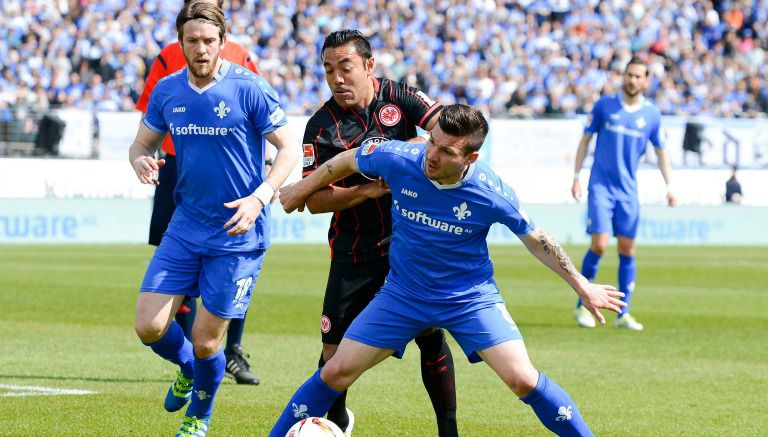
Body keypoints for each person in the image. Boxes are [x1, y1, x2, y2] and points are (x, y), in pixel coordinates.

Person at [271, 104, 625, 436]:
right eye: (431, 142)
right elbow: (347, 160)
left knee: (522, 378)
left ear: (470, 157)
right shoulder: (400, 158)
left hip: (469, 298)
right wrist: (305, 186)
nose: (432, 155)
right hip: (403, 294)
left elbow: (537, 240)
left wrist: (581, 284)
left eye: (446, 152)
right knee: (335, 372)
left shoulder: (491, 193)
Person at [128, 3, 299, 436]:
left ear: (223, 43)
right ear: (180, 43)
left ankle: (198, 415)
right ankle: (187, 368)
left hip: (237, 231)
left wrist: (259, 199)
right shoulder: (168, 91)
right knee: (148, 326)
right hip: (185, 226)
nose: (201, 49)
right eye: (192, 41)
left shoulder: (250, 88)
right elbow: (140, 143)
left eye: (209, 41)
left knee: (207, 340)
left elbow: (289, 150)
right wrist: (141, 161)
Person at [299, 29, 457, 436]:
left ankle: (448, 430)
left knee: (429, 334)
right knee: (333, 353)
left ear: (369, 65)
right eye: (329, 69)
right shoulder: (321, 127)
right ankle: (335, 423)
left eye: (345, 67)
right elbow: (313, 200)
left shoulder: (400, 97)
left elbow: (446, 129)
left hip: (409, 244)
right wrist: (367, 190)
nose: (336, 78)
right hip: (353, 250)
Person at [135, 0, 264, 385]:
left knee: (228, 277)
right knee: (178, 266)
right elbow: (147, 117)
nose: (201, 47)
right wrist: (143, 155)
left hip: (231, 179)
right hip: (176, 167)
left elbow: (259, 118)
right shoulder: (167, 58)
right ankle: (192, 354)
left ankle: (229, 351)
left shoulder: (240, 57)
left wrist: (265, 181)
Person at [571, 56, 676, 331]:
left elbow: (662, 151)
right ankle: (583, 306)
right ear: (623, 76)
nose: (633, 80)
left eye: (638, 76)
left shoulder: (651, 114)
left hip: (628, 191)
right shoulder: (605, 105)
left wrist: (670, 186)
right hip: (601, 187)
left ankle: (623, 313)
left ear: (646, 81)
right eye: (629, 74)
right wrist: (576, 176)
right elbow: (584, 141)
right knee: (600, 245)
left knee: (628, 249)